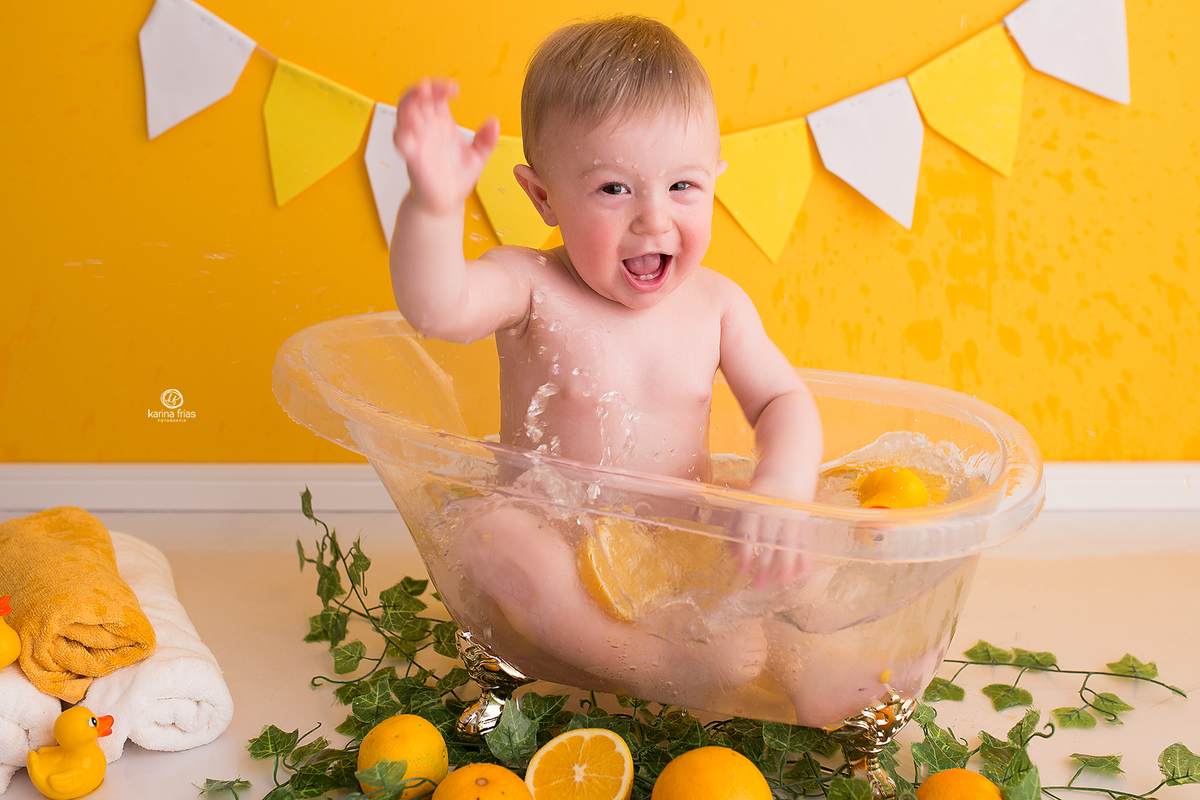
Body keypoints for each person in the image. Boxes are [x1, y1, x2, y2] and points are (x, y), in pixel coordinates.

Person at [390, 15, 823, 701]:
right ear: (543, 197)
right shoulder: (529, 285)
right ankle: (652, 665)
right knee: (494, 538)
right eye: (614, 189)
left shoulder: (718, 304)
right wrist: (433, 208)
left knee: (794, 555)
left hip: (675, 545)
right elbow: (435, 307)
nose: (654, 219)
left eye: (683, 187)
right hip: (556, 544)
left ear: (716, 180)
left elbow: (782, 400)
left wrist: (782, 490)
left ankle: (804, 674)